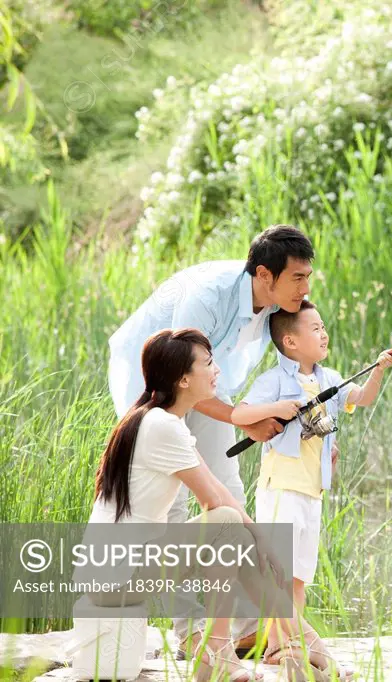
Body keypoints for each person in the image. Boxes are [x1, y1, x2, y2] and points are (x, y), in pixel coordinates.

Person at [85, 329, 351, 682]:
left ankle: (287, 644)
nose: (217, 371)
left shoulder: (160, 421)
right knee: (227, 524)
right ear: (183, 379)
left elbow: (218, 491)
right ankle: (238, 650)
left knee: (236, 532)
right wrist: (263, 544)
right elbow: (214, 502)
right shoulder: (162, 426)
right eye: (208, 363)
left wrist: (262, 543)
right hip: (118, 575)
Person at [107, 225, 315, 650]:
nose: (306, 287)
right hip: (157, 390)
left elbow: (299, 362)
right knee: (175, 507)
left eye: (308, 275)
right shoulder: (208, 295)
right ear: (263, 274)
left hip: (212, 391)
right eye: (297, 277)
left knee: (230, 491)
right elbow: (182, 379)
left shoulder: (281, 306)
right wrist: (244, 420)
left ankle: (245, 628)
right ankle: (191, 631)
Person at [231, 301, 392, 664]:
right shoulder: (274, 380)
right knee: (279, 573)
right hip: (281, 488)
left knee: (298, 579)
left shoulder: (330, 379)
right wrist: (276, 409)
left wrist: (379, 369)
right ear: (290, 342)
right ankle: (281, 648)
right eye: (315, 328)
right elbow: (240, 414)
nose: (324, 334)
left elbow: (363, 398)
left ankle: (288, 646)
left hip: (312, 491)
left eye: (323, 327)